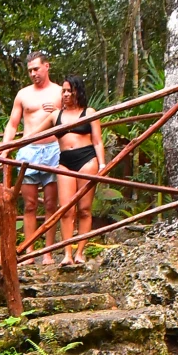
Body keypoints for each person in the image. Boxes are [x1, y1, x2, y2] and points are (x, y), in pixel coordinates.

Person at [2, 51, 63, 265]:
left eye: (36, 68)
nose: (33, 73)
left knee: (49, 204)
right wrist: (5, 148)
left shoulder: (59, 92)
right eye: (29, 70)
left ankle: (48, 252)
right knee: (29, 204)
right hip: (28, 151)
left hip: (53, 150)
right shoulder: (23, 94)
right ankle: (29, 251)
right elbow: (12, 124)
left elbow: (72, 118)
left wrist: (58, 111)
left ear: (47, 66)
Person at [54, 74, 105, 267]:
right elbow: (34, 134)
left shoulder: (89, 112)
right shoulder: (55, 115)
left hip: (87, 160)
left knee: (84, 209)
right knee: (66, 209)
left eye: (69, 90)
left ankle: (80, 252)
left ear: (77, 91)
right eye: (63, 91)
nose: (66, 94)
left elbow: (98, 141)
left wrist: (101, 165)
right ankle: (67, 253)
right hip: (65, 162)